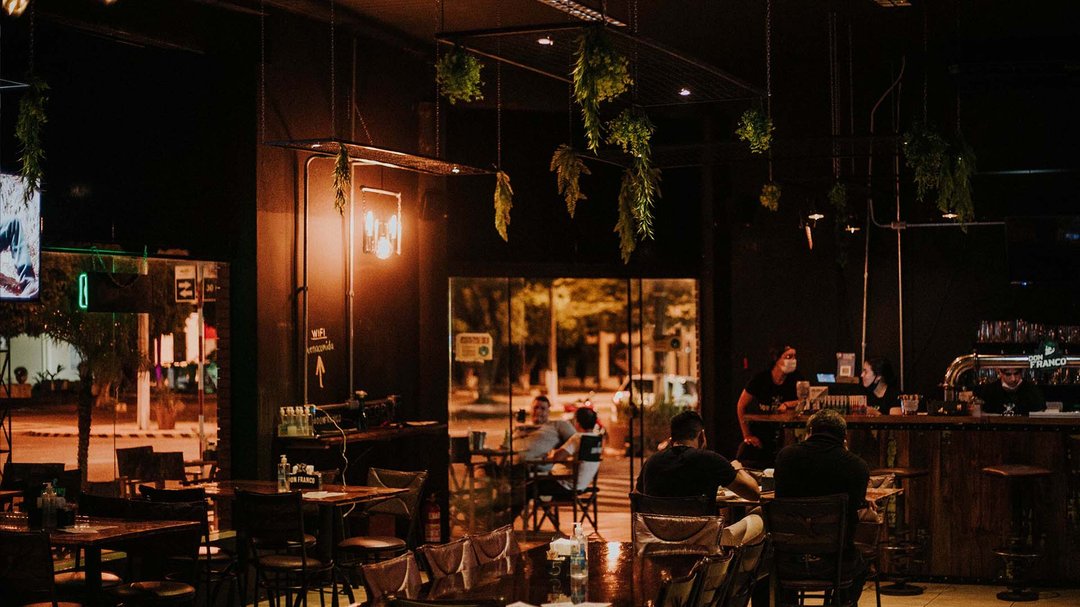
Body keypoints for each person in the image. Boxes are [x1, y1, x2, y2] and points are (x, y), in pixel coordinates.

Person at [774, 409, 870, 605]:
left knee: (763, 564)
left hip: (787, 561)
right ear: (844, 437)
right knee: (864, 563)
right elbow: (855, 508)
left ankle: (788, 603)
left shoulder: (786, 457)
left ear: (810, 431)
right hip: (836, 564)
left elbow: (781, 497)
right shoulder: (857, 466)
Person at [637, 410, 760, 501]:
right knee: (756, 517)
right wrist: (738, 468)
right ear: (702, 436)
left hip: (658, 528)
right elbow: (754, 494)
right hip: (701, 529)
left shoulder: (651, 462)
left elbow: (637, 497)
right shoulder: (710, 460)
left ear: (672, 439)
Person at [735, 345, 804, 469]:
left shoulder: (796, 378)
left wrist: (787, 404)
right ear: (777, 359)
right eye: (789, 356)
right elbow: (741, 405)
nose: (793, 360)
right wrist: (747, 435)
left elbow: (805, 399)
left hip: (787, 433)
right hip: (761, 432)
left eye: (794, 356)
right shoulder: (760, 379)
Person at [534, 407, 601, 499]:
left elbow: (557, 457)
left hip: (566, 485)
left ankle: (521, 508)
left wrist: (551, 454)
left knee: (530, 487)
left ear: (577, 422)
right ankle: (547, 507)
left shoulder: (578, 438)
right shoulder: (596, 439)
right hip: (582, 485)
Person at [504, 395, 577, 466]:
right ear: (530, 410)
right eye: (535, 408)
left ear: (548, 411)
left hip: (535, 467)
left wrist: (557, 456)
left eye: (543, 408)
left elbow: (577, 440)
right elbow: (503, 448)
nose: (538, 411)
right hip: (508, 466)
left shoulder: (557, 425)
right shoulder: (519, 428)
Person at [977, 369, 1046, 416]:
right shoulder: (989, 390)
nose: (1013, 379)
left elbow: (1041, 408)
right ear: (1000, 372)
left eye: (1016, 373)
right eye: (1008, 374)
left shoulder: (1032, 389)